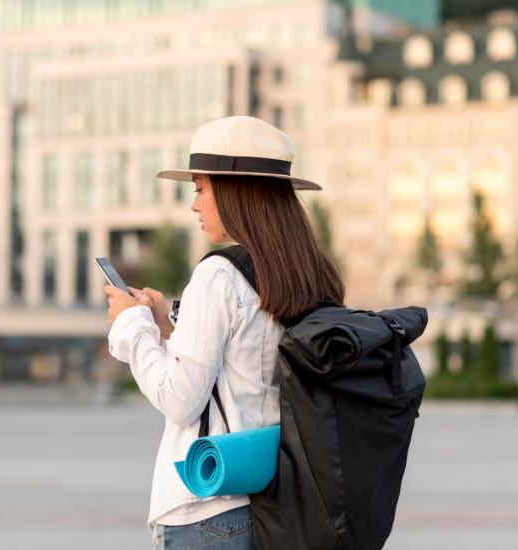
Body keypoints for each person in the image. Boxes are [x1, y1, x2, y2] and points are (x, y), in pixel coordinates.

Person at [103, 116, 344, 549]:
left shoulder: (219, 275)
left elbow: (180, 399)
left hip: (209, 508)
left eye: (201, 189)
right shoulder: (310, 275)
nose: (194, 205)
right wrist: (164, 328)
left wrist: (131, 326)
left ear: (236, 194)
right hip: (275, 506)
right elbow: (247, 373)